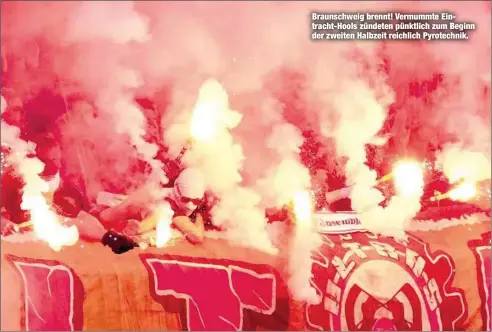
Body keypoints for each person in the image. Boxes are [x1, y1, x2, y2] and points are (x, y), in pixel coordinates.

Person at [99, 167, 209, 245]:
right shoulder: (172, 206)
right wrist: (200, 217)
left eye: (196, 201)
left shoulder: (170, 193)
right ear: (176, 190)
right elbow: (196, 236)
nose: (190, 206)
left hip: (144, 206)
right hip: (151, 208)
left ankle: (124, 217)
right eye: (185, 199)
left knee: (123, 204)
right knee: (162, 212)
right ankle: (139, 226)